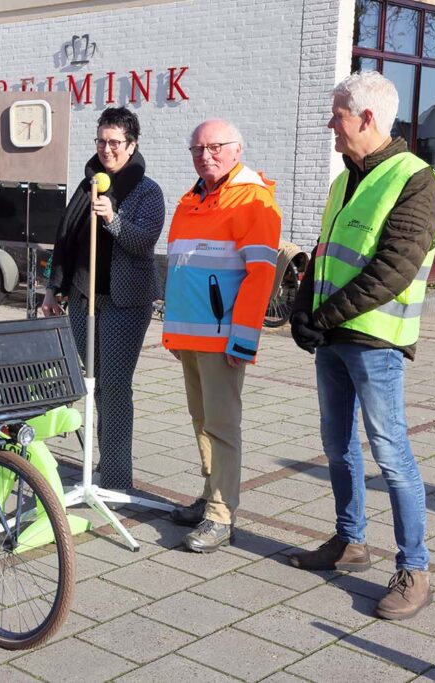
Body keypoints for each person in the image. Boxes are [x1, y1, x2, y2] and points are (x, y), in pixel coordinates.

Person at [287, 71, 435, 621]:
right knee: (338, 445)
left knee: (391, 453)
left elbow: (392, 270)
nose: (331, 126)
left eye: (337, 116)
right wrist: (302, 306)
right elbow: (325, 248)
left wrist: (324, 317)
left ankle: (415, 568)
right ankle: (350, 540)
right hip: (335, 337)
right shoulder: (346, 179)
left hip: (375, 342)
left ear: (367, 118)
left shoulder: (417, 181)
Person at [162, 119, 281, 553]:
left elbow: (260, 275)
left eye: (214, 148)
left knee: (223, 427)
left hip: (222, 339)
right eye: (197, 149)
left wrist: (243, 339)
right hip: (190, 337)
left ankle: (221, 514)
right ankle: (210, 494)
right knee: (202, 422)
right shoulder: (191, 198)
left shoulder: (252, 200)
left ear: (236, 149)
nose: (205, 156)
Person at [41, 107, 164, 494]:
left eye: (114, 142)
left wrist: (113, 218)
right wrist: (52, 288)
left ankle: (115, 479)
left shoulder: (147, 191)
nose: (106, 149)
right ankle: (102, 466)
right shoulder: (86, 185)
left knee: (113, 386)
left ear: (132, 145)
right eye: (101, 141)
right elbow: (65, 241)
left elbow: (144, 242)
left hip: (124, 302)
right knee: (93, 384)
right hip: (83, 298)